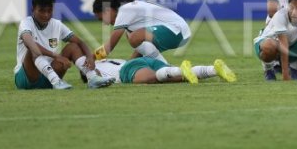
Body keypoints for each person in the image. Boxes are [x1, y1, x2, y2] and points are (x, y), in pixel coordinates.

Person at [15, 0, 104, 90]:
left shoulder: (56, 24)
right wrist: (56, 56)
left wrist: (89, 57)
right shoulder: (26, 23)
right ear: (33, 9)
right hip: (27, 78)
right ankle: (56, 82)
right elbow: (31, 44)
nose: (46, 15)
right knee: (33, 49)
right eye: (42, 11)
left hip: (48, 77)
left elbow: (79, 42)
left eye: (49, 11)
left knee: (73, 46)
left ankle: (92, 78)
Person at [91, 0, 192, 64]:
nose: (105, 23)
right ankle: (170, 70)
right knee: (135, 40)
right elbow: (141, 49)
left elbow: (109, 47)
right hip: (180, 32)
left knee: (134, 37)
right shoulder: (128, 18)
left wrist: (92, 58)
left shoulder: (124, 10)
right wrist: (127, 66)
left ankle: (165, 67)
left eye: (101, 19)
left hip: (177, 30)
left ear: (107, 11)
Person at [87, 57, 236, 86]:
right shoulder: (106, 60)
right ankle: (214, 69)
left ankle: (179, 69)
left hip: (127, 70)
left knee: (152, 79)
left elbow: (96, 80)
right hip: (142, 61)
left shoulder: (93, 69)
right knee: (180, 78)